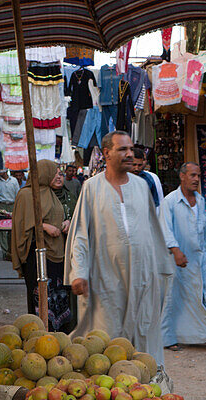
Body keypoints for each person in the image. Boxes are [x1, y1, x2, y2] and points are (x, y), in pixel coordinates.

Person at [66, 131, 175, 364]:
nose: (129, 154)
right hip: (106, 276)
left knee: (143, 330)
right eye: (122, 149)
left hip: (142, 275)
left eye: (130, 149)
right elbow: (81, 235)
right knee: (107, 336)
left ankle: (147, 385)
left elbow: (154, 229)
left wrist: (163, 267)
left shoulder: (141, 186)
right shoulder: (91, 188)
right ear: (106, 153)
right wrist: (79, 273)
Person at [160, 163, 206, 350]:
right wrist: (176, 251)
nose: (196, 179)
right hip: (177, 258)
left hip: (200, 256)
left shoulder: (201, 200)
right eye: (193, 175)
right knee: (174, 299)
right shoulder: (170, 201)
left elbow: (202, 228)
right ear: (182, 176)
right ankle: (168, 339)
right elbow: (165, 228)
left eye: (199, 176)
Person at [10, 160, 75, 330]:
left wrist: (66, 223)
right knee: (40, 296)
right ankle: (40, 333)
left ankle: (58, 334)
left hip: (56, 254)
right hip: (36, 255)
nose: (57, 176)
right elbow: (21, 224)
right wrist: (43, 226)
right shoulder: (26, 195)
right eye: (53, 172)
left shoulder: (52, 194)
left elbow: (59, 215)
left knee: (57, 296)